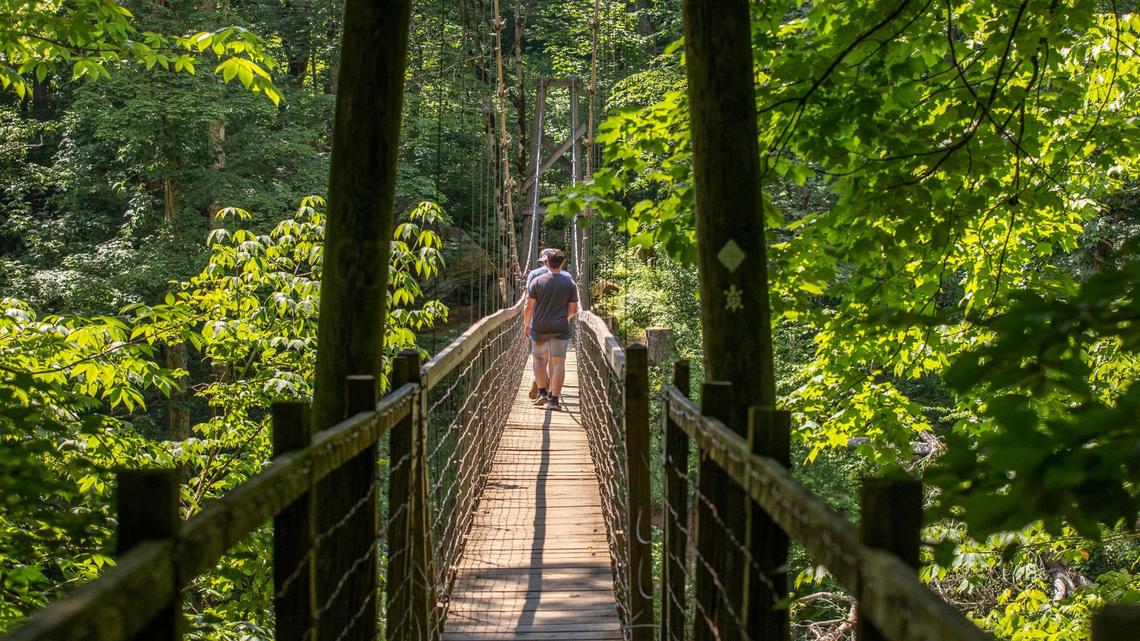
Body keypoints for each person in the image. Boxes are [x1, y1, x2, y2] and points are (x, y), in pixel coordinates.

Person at [523, 249, 578, 412]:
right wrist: (564, 319)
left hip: (539, 327)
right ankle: (554, 400)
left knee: (539, 359)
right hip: (560, 328)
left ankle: (542, 393)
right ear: (562, 263)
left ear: (546, 262)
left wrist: (527, 325)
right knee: (558, 362)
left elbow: (528, 307)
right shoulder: (569, 283)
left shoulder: (536, 281)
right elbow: (573, 310)